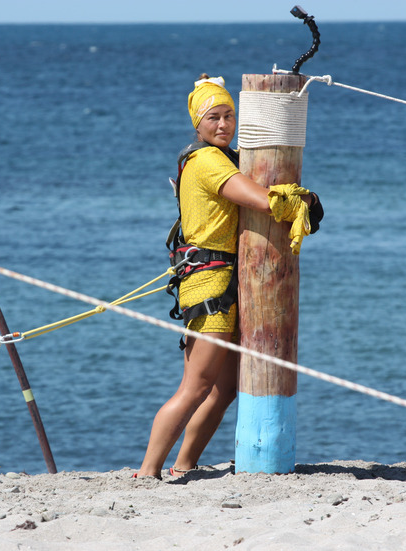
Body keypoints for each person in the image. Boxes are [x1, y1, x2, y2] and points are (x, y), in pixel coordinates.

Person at [135, 74, 321, 480]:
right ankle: (148, 471)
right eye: (213, 118)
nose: (223, 125)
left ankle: (184, 464)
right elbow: (260, 199)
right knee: (196, 387)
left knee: (224, 390)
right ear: (196, 124)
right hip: (211, 285)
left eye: (229, 116)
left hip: (226, 283)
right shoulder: (207, 161)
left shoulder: (221, 156)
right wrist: (298, 199)